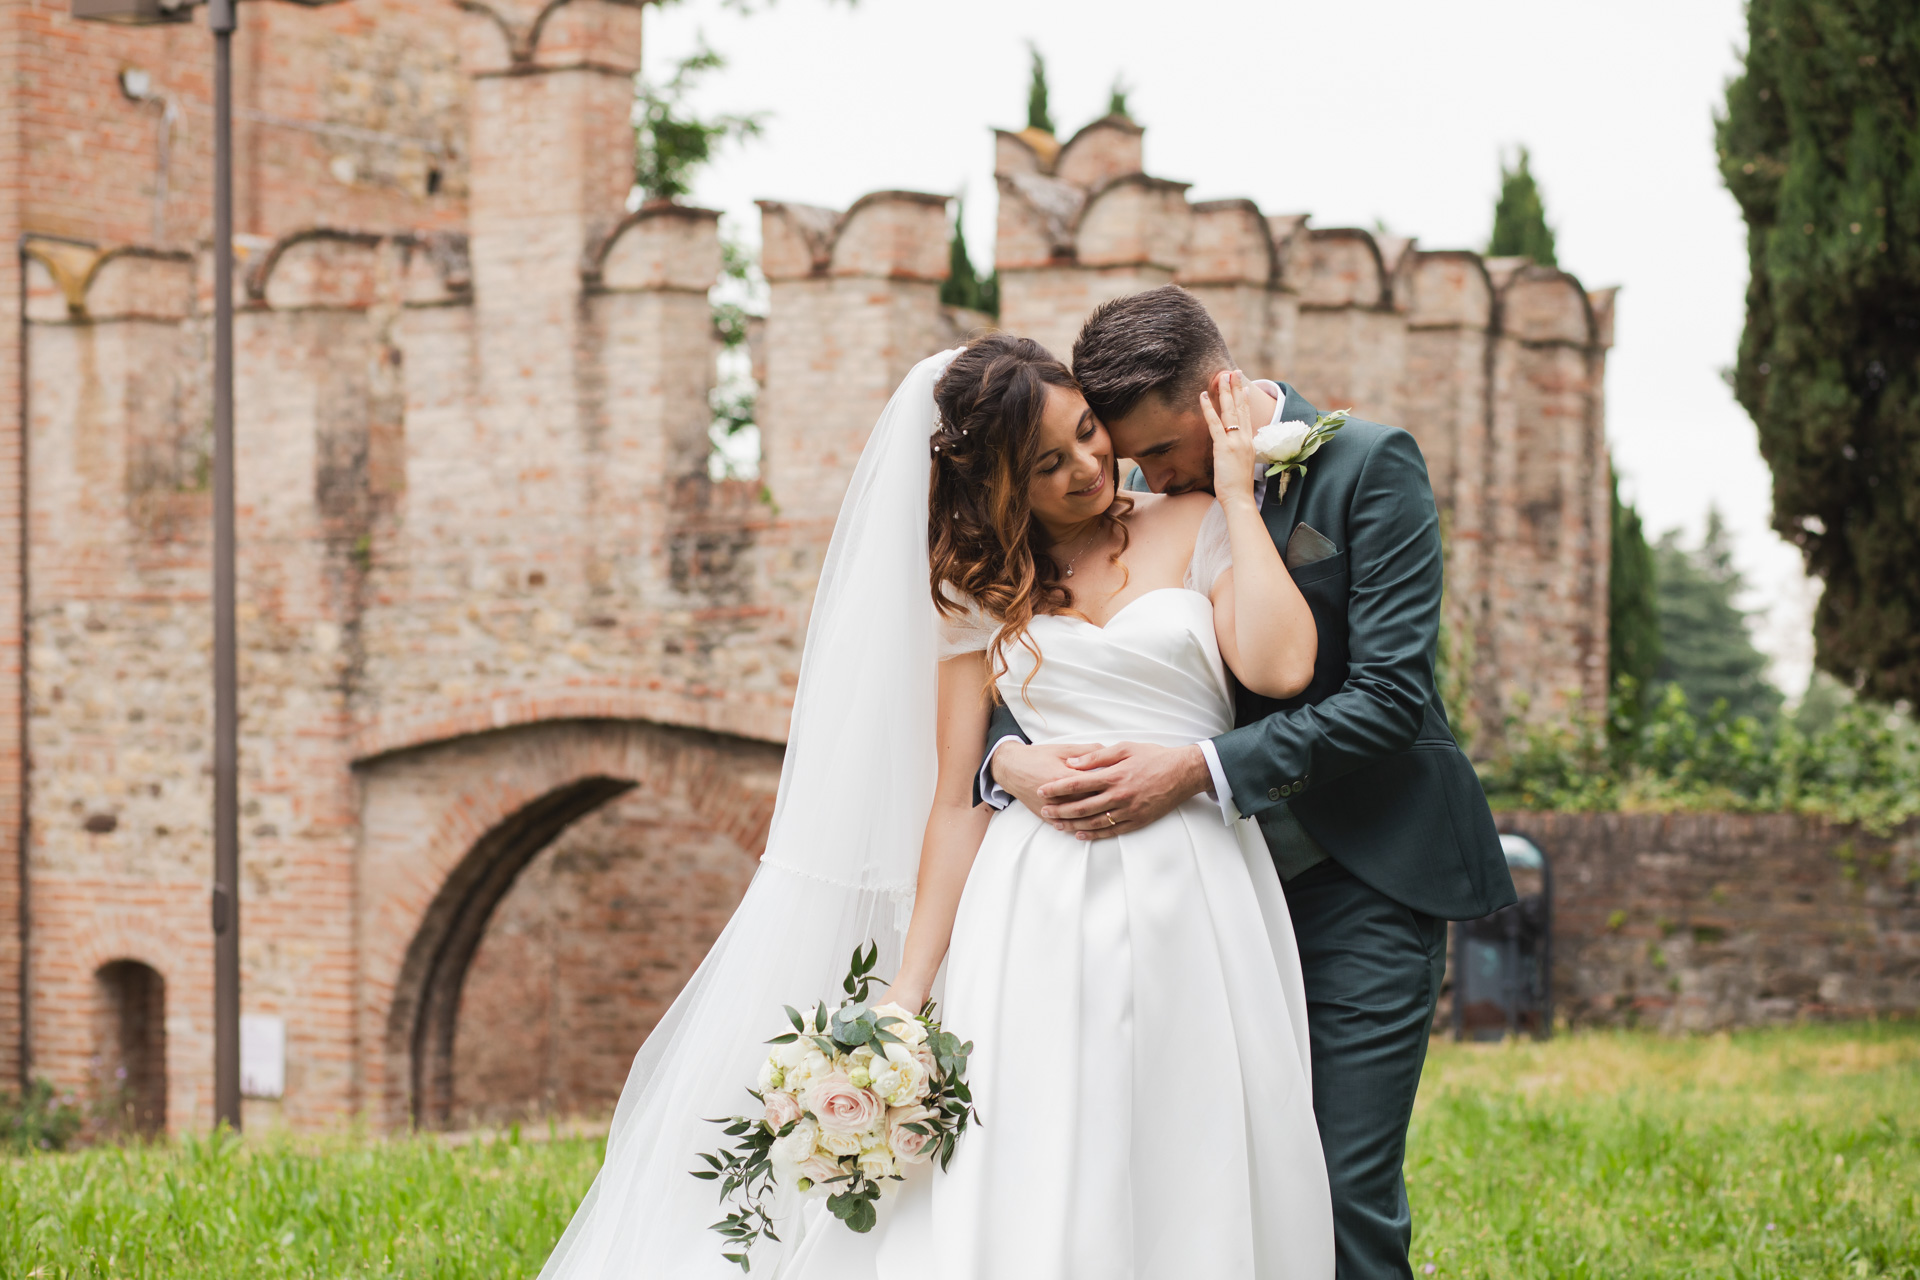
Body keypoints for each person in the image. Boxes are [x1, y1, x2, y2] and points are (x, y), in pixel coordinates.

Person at [537, 334, 1334, 1279]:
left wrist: (1239, 497)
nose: (1088, 466)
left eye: (1088, 434)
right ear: (1001, 486)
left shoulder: (1194, 521)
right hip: (1035, 902)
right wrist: (907, 996)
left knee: (1195, 1134)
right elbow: (957, 797)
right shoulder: (980, 595)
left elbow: (1281, 666)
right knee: (1045, 1146)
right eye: (1049, 463)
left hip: (1197, 881)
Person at [979, 285, 1516, 1280]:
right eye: (1120, 451)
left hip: (1362, 872)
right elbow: (1048, 653)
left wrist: (1198, 768)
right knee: (1215, 1177)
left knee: (1340, 1183)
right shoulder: (1123, 506)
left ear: (1219, 393)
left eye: (1162, 451)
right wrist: (1004, 756)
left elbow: (1390, 698)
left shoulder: (1366, 465)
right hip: (1204, 901)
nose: (1139, 475)